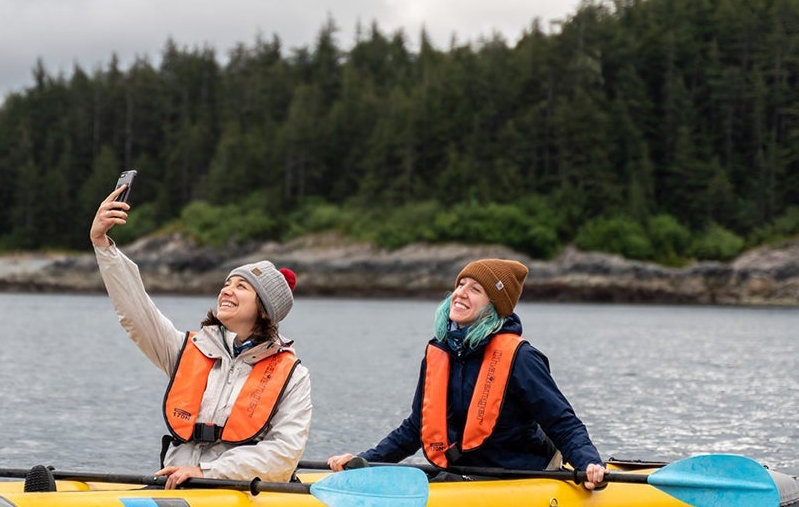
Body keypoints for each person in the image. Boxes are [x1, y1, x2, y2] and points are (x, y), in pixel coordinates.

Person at [90, 185, 312, 489]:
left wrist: (210, 473)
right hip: (176, 484)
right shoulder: (188, 350)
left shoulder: (293, 375)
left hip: (236, 492)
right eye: (227, 283)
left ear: (264, 310)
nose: (226, 290)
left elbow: (283, 453)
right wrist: (102, 244)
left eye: (241, 287)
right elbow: (136, 312)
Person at [327, 258, 607, 490]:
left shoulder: (521, 358)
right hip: (459, 476)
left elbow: (561, 422)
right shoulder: (440, 352)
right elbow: (416, 427)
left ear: (494, 306)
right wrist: (364, 463)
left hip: (514, 479)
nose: (461, 293)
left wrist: (588, 463)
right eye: (460, 284)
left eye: (476, 289)